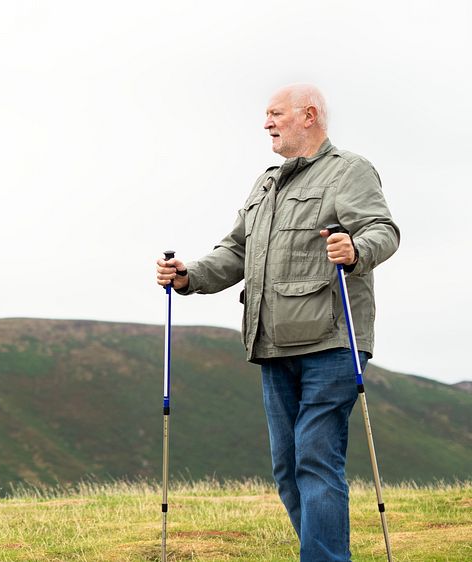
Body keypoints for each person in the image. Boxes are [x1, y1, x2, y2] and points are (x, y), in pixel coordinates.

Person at [155, 84, 399, 561]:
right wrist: (188, 277)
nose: (266, 123)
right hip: (271, 343)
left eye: (275, 114)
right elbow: (236, 251)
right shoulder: (265, 183)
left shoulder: (349, 171)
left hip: (331, 340)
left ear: (308, 116)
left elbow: (382, 230)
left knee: (315, 459)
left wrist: (355, 251)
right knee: (288, 469)